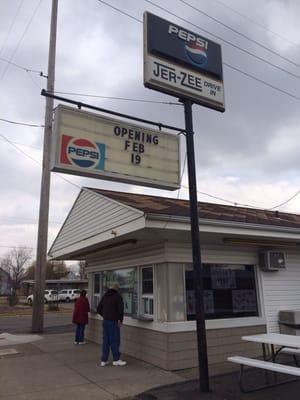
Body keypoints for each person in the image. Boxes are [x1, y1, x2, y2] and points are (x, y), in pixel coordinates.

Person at [97, 282, 127, 366]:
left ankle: (104, 360)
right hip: (113, 322)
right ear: (116, 288)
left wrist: (105, 315)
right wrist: (120, 321)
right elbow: (120, 310)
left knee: (105, 341)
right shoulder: (117, 296)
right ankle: (116, 359)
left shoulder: (105, 296)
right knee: (115, 341)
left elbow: (98, 309)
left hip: (105, 321)